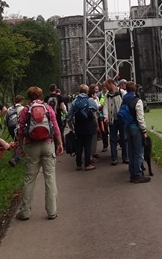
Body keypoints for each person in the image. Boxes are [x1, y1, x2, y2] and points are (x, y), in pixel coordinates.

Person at [15, 86, 63, 221]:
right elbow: (55, 126)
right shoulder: (48, 108)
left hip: (31, 145)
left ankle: (25, 212)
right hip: (48, 144)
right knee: (50, 178)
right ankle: (52, 211)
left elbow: (20, 130)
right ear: (41, 95)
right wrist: (59, 143)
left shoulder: (25, 110)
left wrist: (20, 146)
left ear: (29, 96)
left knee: (29, 179)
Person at [123, 81, 151, 183]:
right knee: (139, 152)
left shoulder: (124, 99)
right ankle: (138, 175)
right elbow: (140, 118)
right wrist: (144, 130)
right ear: (135, 89)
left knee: (131, 151)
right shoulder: (137, 101)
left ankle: (132, 173)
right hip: (136, 128)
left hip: (127, 127)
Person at [66, 84, 97, 171]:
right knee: (87, 145)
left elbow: (69, 116)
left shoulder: (74, 101)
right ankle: (87, 164)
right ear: (87, 91)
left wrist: (71, 127)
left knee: (79, 145)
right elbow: (96, 108)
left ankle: (78, 164)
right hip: (88, 125)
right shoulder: (89, 100)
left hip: (78, 126)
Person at [104, 78, 128, 166]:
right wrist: (105, 116)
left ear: (111, 84)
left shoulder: (122, 92)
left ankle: (125, 157)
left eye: (107, 85)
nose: (106, 87)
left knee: (124, 138)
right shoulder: (107, 95)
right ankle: (114, 158)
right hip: (112, 120)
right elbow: (105, 106)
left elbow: (126, 104)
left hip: (122, 119)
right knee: (112, 139)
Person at [6, 95, 26, 167]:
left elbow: (6, 119)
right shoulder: (22, 108)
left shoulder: (9, 108)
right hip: (17, 127)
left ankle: (17, 156)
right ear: (21, 101)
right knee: (18, 142)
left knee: (16, 141)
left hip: (10, 127)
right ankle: (15, 158)